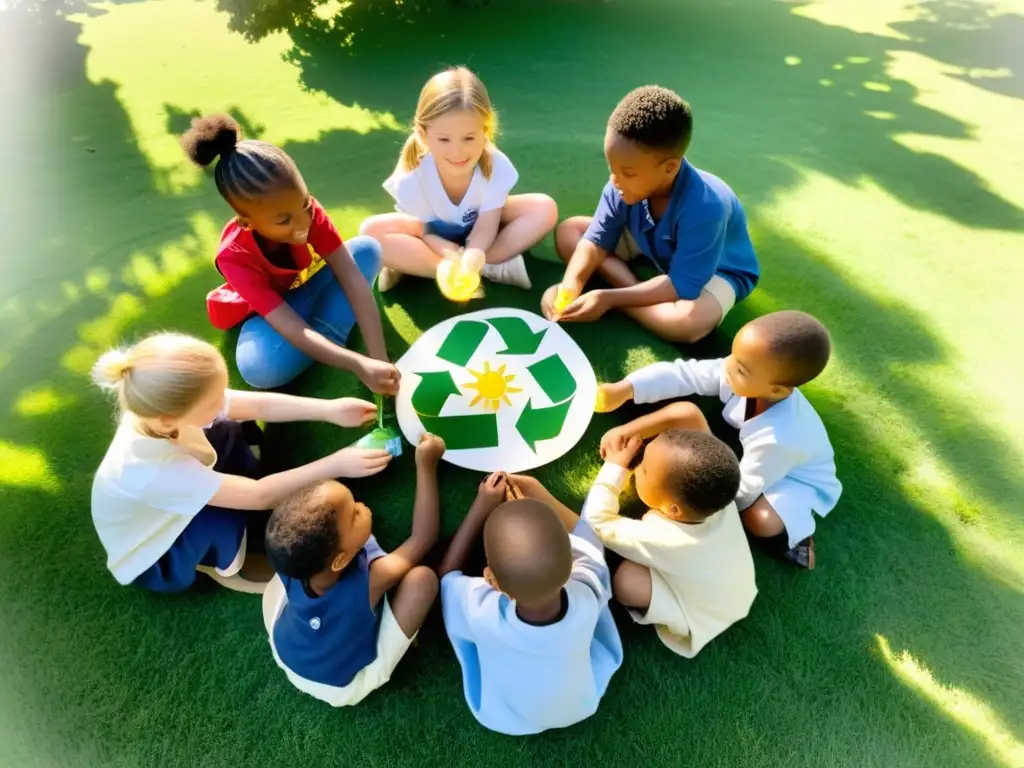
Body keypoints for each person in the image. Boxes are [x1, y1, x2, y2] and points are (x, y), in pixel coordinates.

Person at [90, 332, 394, 594]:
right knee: (224, 518)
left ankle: (240, 478)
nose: (220, 402)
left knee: (228, 425)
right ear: (170, 418)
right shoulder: (151, 471)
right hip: (158, 543)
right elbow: (259, 496)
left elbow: (254, 405)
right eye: (211, 402)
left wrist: (329, 410)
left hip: (176, 486)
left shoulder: (160, 410)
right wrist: (337, 464)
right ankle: (232, 565)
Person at [598, 310, 842, 569]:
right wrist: (626, 389)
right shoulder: (740, 372)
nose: (726, 366)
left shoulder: (779, 438)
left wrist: (686, 501)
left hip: (794, 478)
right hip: (754, 451)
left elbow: (742, 493)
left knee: (760, 520)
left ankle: (796, 540)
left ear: (776, 390)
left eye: (741, 368)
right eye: (734, 355)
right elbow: (685, 374)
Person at [181, 113, 399, 392]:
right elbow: (290, 326)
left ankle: (323, 340)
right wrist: (357, 364)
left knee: (367, 250)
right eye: (284, 220)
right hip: (271, 316)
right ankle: (330, 335)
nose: (303, 223)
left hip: (301, 292)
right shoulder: (233, 257)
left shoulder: (306, 213)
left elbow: (352, 277)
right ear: (246, 223)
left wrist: (378, 358)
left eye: (306, 206)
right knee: (259, 368)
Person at [541, 85, 760, 344]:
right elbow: (596, 239)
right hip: (653, 242)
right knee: (570, 233)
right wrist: (571, 283)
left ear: (670, 168)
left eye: (628, 173)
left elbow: (682, 285)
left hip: (716, 270)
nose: (615, 180)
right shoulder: (621, 185)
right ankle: (636, 290)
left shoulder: (707, 207)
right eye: (611, 167)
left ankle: (626, 292)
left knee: (686, 325)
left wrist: (608, 298)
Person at [261, 434, 445, 706]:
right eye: (355, 513)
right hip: (340, 687)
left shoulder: (290, 561)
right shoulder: (372, 579)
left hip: (287, 651)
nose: (361, 506)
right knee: (423, 581)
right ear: (339, 561)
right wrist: (426, 465)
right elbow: (423, 537)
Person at [438, 471, 623, 736]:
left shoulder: (482, 611)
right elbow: (589, 546)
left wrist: (481, 508)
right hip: (579, 705)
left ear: (491, 580)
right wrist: (536, 495)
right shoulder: (587, 594)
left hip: (509, 714)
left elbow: (447, 577)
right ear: (571, 563)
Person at [360, 66, 558, 294]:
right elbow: (426, 232)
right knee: (371, 231)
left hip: (480, 229)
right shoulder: (412, 175)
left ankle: (479, 266)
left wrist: (475, 254)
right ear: (424, 136)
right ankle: (449, 271)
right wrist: (449, 254)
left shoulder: (495, 165)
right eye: (444, 139)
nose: (457, 152)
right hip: (432, 235)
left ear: (485, 131)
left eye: (469, 138)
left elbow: (487, 224)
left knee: (544, 208)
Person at [584, 428, 756, 657]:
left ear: (673, 509)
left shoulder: (665, 539)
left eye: (644, 469)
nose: (636, 468)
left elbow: (598, 520)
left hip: (701, 618)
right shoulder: (721, 502)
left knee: (628, 580)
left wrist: (615, 467)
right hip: (736, 591)